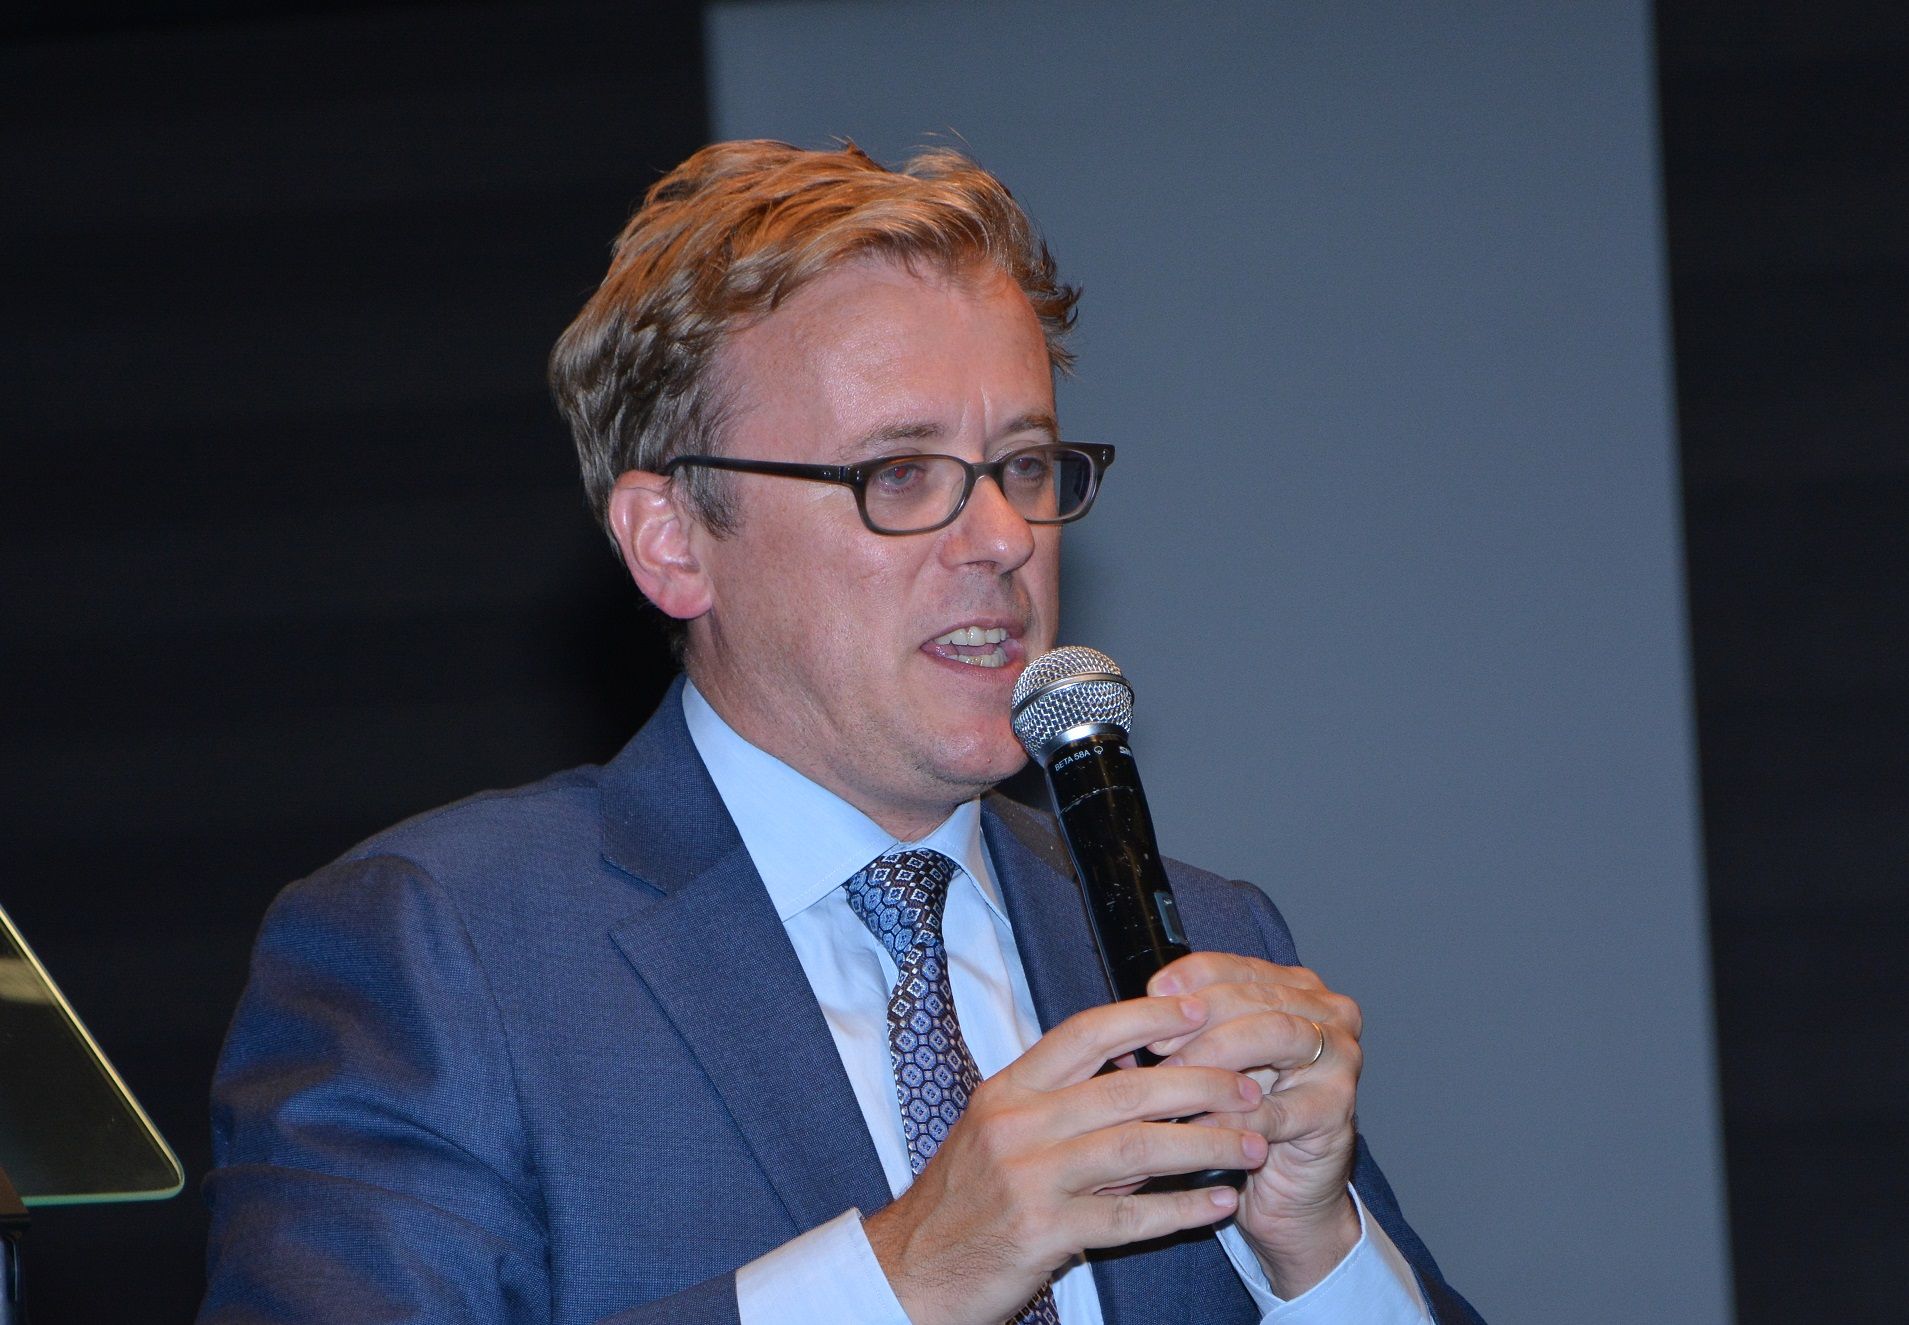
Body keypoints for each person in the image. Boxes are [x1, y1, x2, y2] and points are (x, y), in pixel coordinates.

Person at [199, 140, 1483, 1325]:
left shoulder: (1202, 937)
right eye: (899, 474)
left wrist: (1317, 1252)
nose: (1002, 539)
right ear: (672, 541)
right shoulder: (447, 949)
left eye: (1024, 465)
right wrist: (907, 1275)